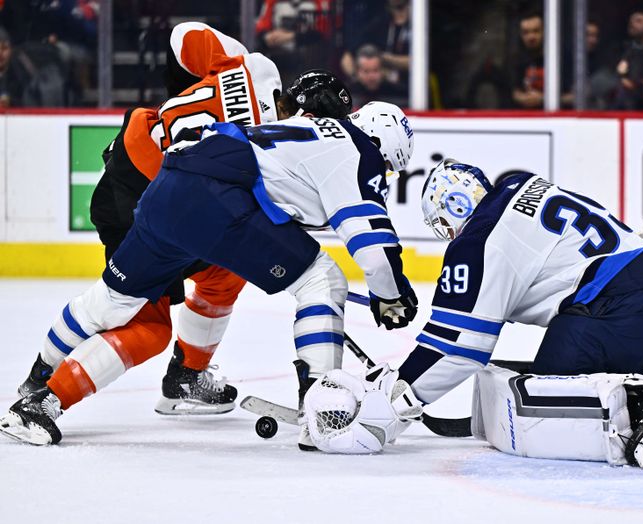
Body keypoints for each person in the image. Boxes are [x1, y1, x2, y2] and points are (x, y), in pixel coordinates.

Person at [1, 100, 417, 448]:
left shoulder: (307, 127)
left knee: (110, 303)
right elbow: (374, 255)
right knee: (321, 280)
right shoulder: (359, 151)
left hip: (169, 185)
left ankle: (37, 394)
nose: (383, 174)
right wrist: (391, 293)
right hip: (220, 203)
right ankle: (322, 412)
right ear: (384, 145)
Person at [300, 159, 643, 466]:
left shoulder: (476, 241)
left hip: (619, 308)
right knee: (560, 371)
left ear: (448, 216)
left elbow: (460, 347)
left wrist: (397, 400)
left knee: (542, 401)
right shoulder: (521, 188)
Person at [511, 11, 544, 109]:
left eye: (536, 31)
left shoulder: (557, 58)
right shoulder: (517, 60)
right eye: (526, 32)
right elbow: (512, 91)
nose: (531, 37)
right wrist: (522, 98)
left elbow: (575, 96)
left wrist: (543, 99)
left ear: (544, 31)